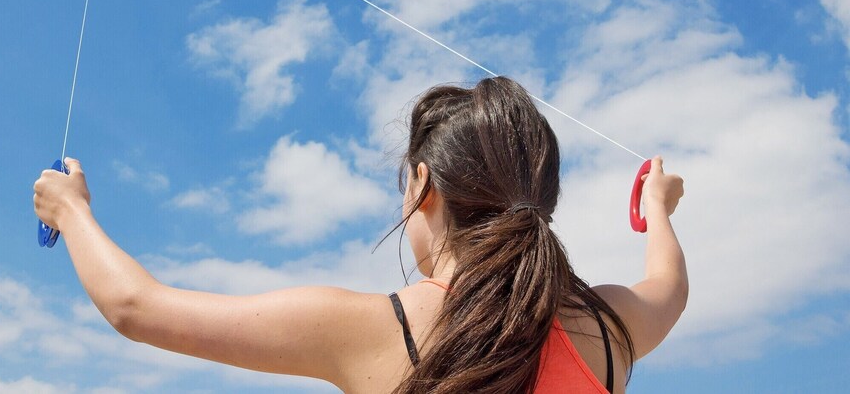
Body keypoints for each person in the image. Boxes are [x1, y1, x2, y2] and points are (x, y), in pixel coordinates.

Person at [34, 76, 687, 393]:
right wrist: (656, 207)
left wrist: (72, 211)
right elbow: (668, 287)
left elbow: (135, 308)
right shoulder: (606, 330)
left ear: (423, 185)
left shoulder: (378, 330)